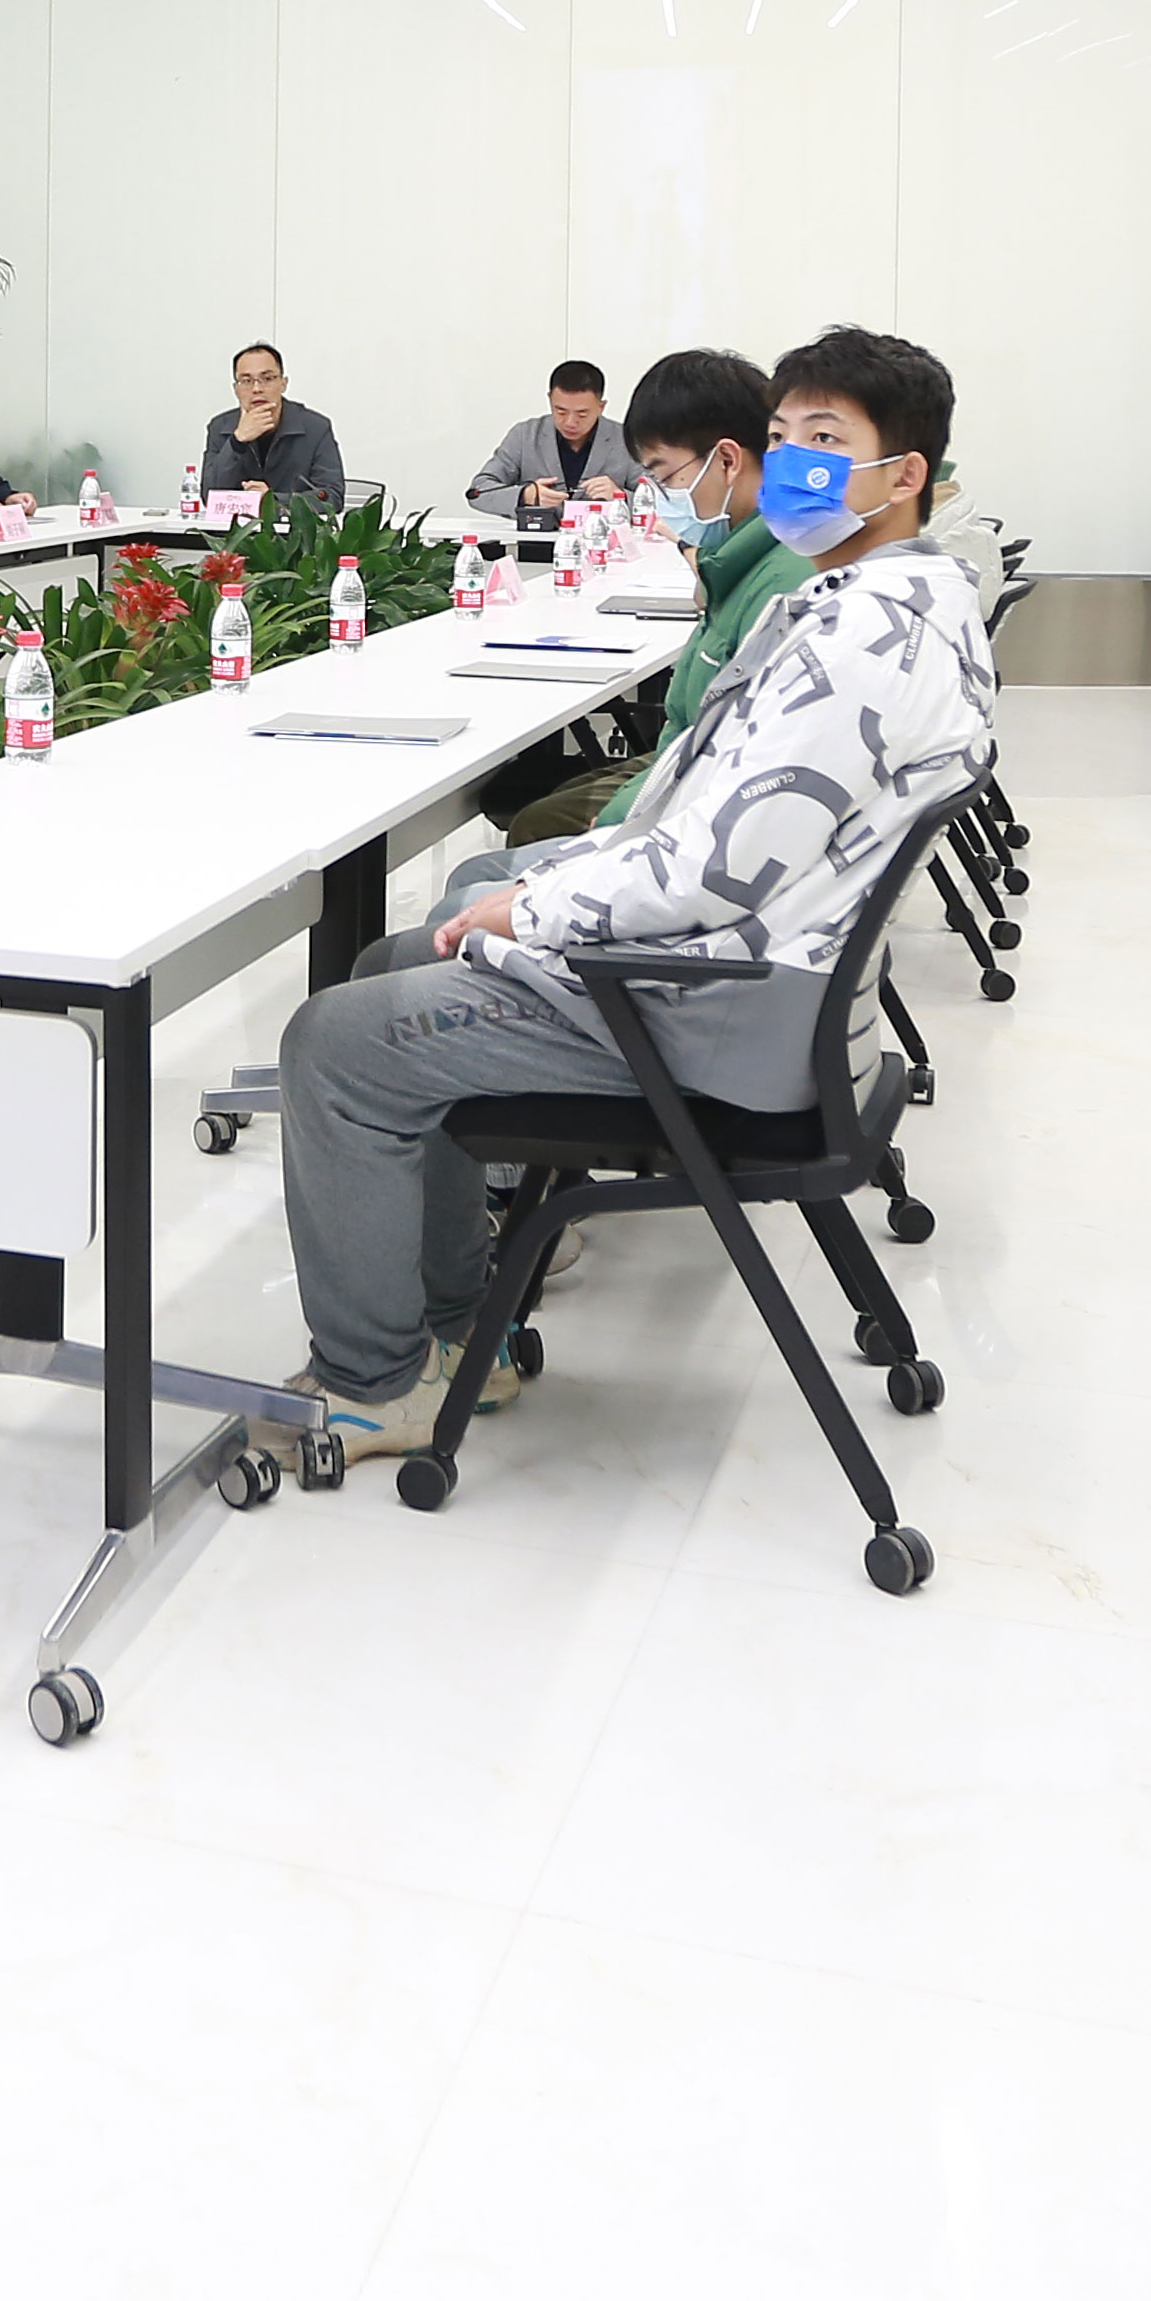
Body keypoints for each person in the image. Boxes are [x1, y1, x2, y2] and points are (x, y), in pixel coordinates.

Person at [264, 324, 1001, 1463]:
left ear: (903, 475)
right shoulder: (893, 600)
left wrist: (531, 908)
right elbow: (709, 824)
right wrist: (546, 886)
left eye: (825, 440)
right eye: (783, 436)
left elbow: (708, 870)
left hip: (719, 1009)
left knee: (331, 1041)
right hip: (776, 982)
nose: (791, 462)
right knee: (392, 963)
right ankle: (462, 1335)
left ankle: (375, 1381)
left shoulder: (858, 639)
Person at [482, 347, 803, 849]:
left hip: (699, 789)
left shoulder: (777, 582)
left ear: (727, 460)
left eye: (667, 477)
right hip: (688, 761)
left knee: (534, 826)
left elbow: (731, 752)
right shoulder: (740, 560)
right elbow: (480, 490)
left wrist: (620, 817)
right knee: (543, 804)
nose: (663, 494)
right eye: (561, 410)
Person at [197, 342, 347, 510]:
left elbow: (332, 498)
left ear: (283, 383)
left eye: (267, 379)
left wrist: (273, 500)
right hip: (236, 526)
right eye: (246, 381)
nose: (257, 388)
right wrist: (237, 441)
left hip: (293, 527)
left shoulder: (315, 427)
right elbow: (210, 497)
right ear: (236, 389)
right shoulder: (220, 427)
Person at [467, 365, 623, 526]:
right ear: (550, 400)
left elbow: (642, 496)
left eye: (582, 414)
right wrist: (525, 495)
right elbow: (478, 492)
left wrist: (620, 496)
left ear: (601, 407)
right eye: (561, 411)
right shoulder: (525, 436)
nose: (570, 422)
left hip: (604, 539)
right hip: (537, 539)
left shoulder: (625, 440)